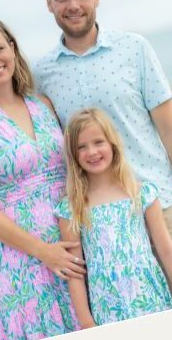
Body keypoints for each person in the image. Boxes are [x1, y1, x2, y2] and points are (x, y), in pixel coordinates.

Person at [0, 15, 82, 340]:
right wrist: (44, 252)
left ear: (13, 48)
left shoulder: (44, 105)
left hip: (74, 245)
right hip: (23, 260)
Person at [35, 0, 172, 235]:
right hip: (99, 223)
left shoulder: (134, 48)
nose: (73, 5)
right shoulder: (43, 73)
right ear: (49, 4)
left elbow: (169, 129)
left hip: (160, 203)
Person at [57, 108, 172, 328]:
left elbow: (166, 250)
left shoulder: (141, 193)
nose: (91, 151)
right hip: (107, 310)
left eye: (98, 142)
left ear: (112, 144)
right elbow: (75, 272)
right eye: (81, 147)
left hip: (152, 300)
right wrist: (85, 320)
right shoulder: (72, 208)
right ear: (73, 155)